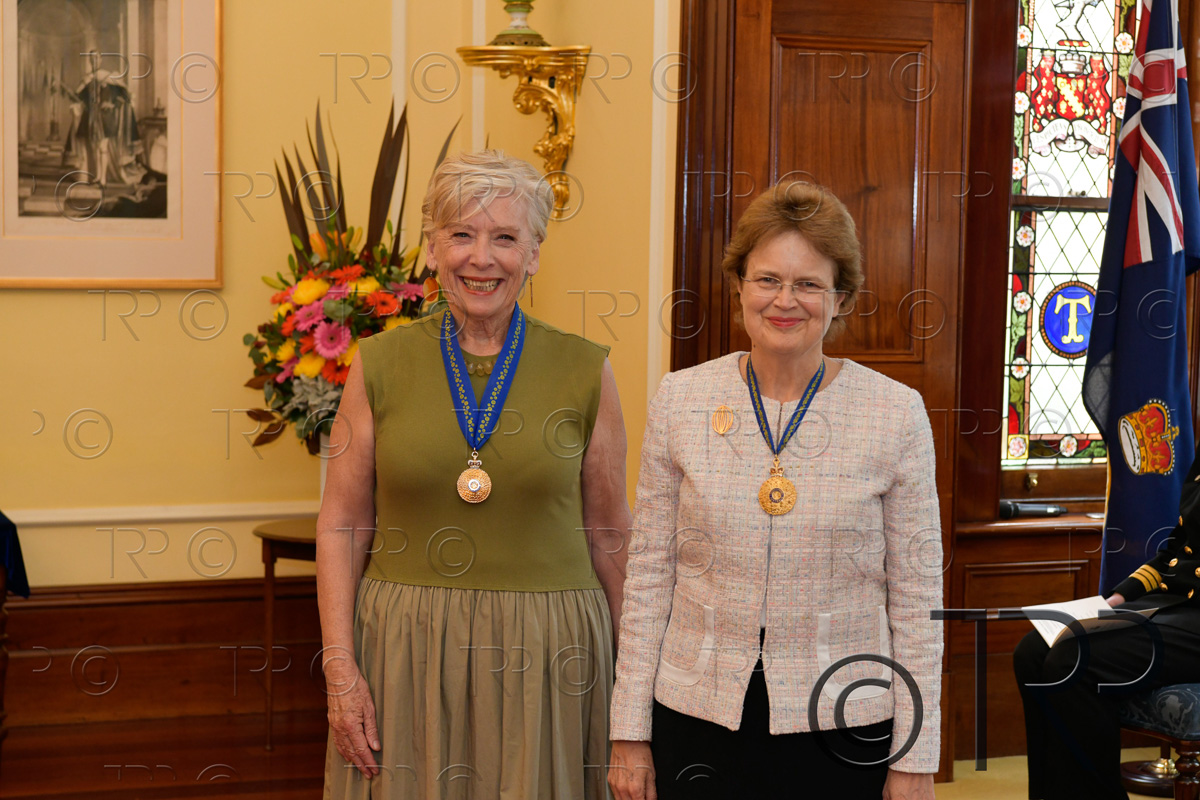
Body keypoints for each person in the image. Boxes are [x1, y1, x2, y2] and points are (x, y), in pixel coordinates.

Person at [608, 182, 943, 800]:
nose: (785, 300)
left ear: (840, 298)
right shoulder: (681, 399)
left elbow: (918, 600)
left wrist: (915, 757)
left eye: (808, 284)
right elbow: (649, 576)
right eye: (767, 279)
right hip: (696, 715)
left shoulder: (894, 413)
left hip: (845, 722)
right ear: (739, 286)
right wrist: (629, 731)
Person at [319, 150, 632, 799]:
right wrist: (341, 673)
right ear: (433, 247)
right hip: (406, 651)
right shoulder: (378, 364)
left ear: (535, 253)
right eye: (461, 234)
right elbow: (342, 524)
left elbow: (611, 535)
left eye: (505, 238)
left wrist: (636, 700)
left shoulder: (585, 370)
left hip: (553, 659)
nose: (481, 258)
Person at [1014, 452, 1200, 800]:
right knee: (1034, 650)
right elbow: (1180, 547)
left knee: (1074, 661)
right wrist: (1117, 598)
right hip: (1177, 603)